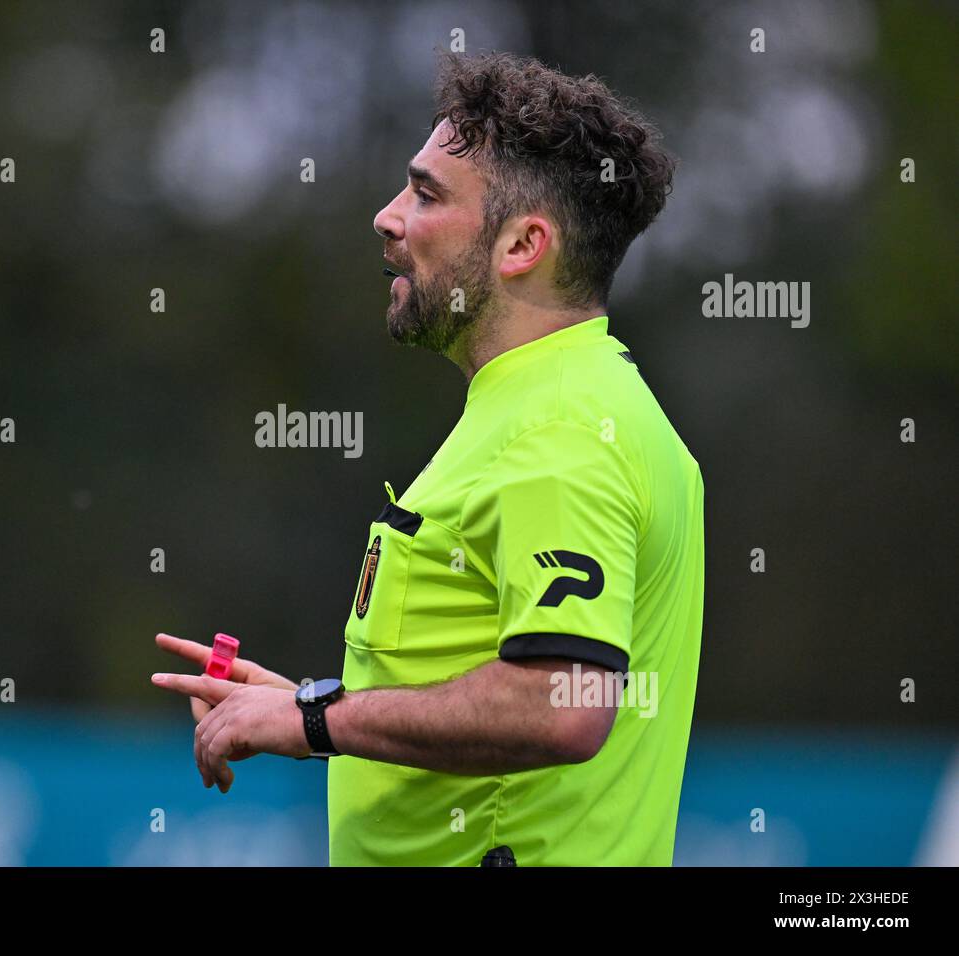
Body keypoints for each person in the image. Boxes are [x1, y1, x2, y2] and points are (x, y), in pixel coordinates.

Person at [152, 52, 703, 866]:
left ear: (523, 244)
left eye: (425, 193)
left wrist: (313, 721)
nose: (387, 216)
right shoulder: (555, 401)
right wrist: (312, 701)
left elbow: (562, 703)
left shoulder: (562, 430)